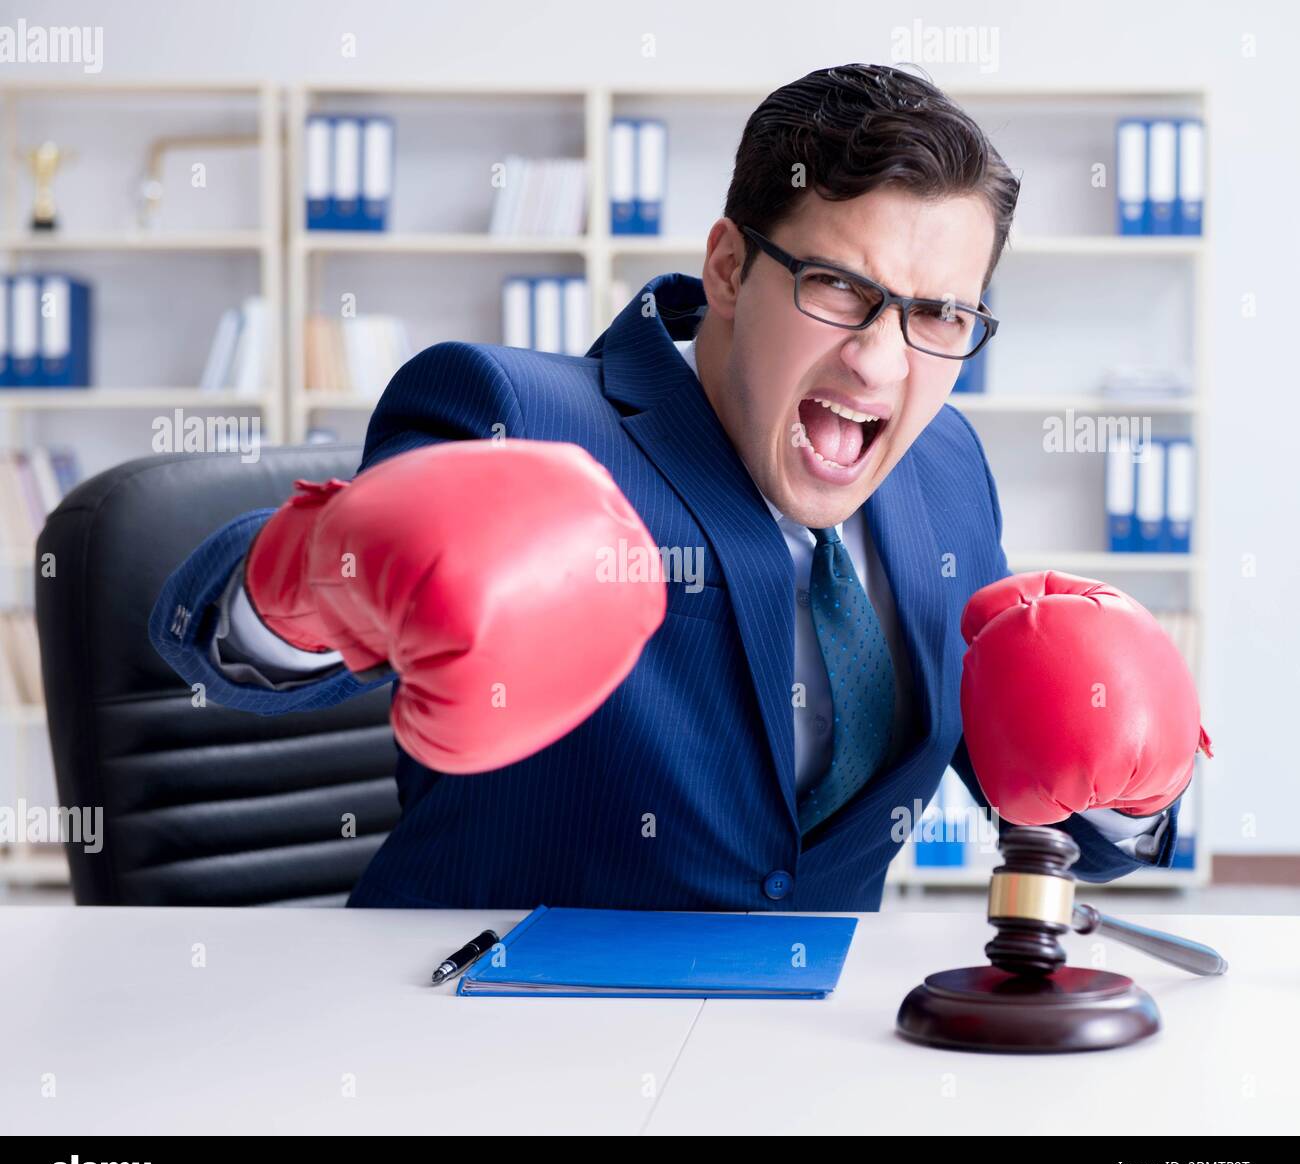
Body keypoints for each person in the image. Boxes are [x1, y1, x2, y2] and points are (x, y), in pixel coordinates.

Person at [151, 64, 1200, 910]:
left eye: (941, 315)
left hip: (804, 1061)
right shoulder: (514, 414)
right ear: (731, 269)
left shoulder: (946, 469)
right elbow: (218, 654)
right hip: (491, 1052)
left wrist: (1129, 786)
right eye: (841, 287)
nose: (883, 364)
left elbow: (1050, 798)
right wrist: (313, 568)